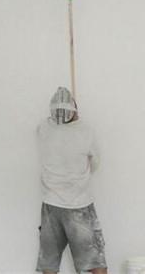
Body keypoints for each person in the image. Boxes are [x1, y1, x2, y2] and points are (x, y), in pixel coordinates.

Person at [36, 86, 107, 274]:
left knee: (49, 264)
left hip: (51, 206)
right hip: (78, 206)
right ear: (74, 109)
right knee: (95, 262)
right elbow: (95, 163)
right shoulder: (86, 131)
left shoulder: (44, 129)